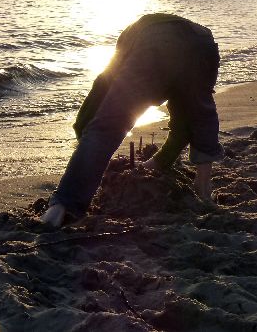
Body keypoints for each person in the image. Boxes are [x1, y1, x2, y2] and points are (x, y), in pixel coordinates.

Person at [41, 13, 223, 228]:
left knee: (109, 124)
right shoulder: (168, 59)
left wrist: (86, 142)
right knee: (200, 112)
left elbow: (99, 98)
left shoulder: (131, 48)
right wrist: (155, 164)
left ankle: (63, 206)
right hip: (203, 43)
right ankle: (204, 191)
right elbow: (186, 127)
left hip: (155, 40)